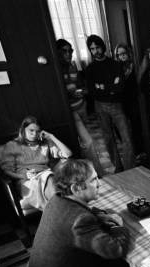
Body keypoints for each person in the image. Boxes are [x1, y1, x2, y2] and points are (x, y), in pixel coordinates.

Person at [22, 159, 131, 267]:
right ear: (76, 188)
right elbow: (116, 249)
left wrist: (100, 216)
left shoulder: (56, 200)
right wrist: (118, 225)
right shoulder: (79, 221)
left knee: (114, 264)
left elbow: (81, 211)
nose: (99, 183)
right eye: (93, 180)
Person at [0, 116, 72, 210]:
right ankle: (63, 210)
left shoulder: (45, 143)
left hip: (46, 176)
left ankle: (59, 211)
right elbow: (6, 171)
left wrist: (52, 137)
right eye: (31, 130)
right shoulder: (12, 145)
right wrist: (24, 175)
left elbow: (68, 154)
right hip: (27, 182)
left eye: (37, 131)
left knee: (52, 176)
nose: (34, 134)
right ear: (23, 129)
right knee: (54, 181)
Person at [84, 34, 135, 171]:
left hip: (117, 105)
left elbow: (120, 87)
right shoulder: (89, 69)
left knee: (127, 137)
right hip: (100, 106)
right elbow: (92, 92)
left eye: (98, 47)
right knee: (108, 139)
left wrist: (102, 87)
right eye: (92, 49)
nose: (96, 51)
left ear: (103, 47)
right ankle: (118, 167)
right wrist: (110, 87)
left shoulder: (115, 64)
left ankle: (130, 168)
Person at [56, 39, 105, 175]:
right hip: (69, 111)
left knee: (84, 144)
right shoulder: (56, 69)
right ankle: (98, 174)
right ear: (58, 52)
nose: (68, 53)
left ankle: (88, 174)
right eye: (65, 51)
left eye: (70, 50)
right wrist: (70, 91)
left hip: (80, 106)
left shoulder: (72, 66)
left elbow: (81, 85)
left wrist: (82, 91)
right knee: (88, 142)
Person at [113, 43, 144, 161]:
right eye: (119, 54)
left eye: (123, 54)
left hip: (134, 100)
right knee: (121, 127)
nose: (121, 56)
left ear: (128, 53)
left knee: (136, 126)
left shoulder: (134, 66)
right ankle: (129, 150)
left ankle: (139, 151)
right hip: (120, 102)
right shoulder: (116, 68)